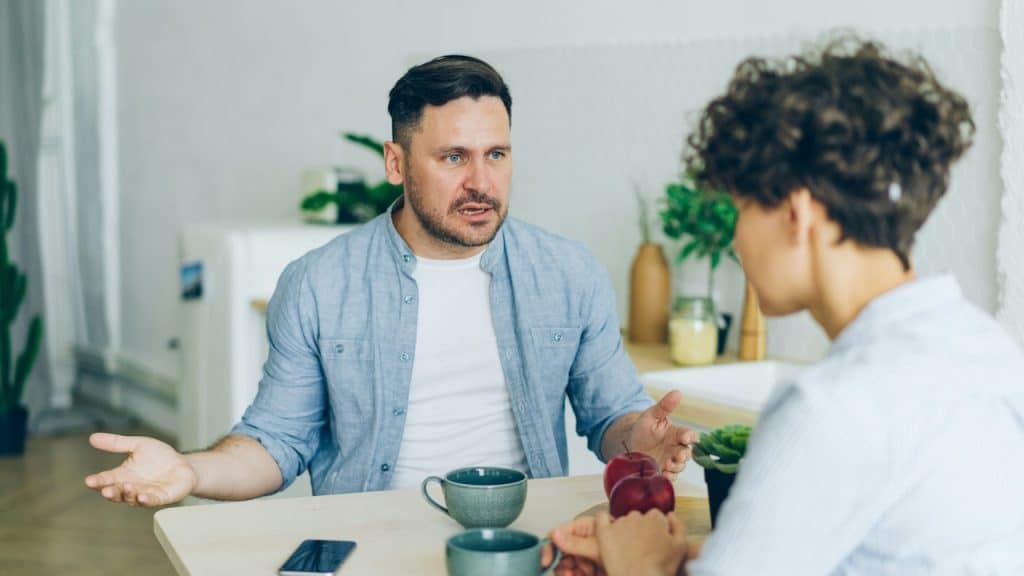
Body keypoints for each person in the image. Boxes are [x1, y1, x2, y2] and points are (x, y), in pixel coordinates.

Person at [84, 55, 698, 507]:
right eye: (454, 157)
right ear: (396, 162)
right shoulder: (319, 284)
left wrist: (638, 435)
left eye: (497, 155)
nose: (481, 182)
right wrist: (190, 471)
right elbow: (275, 442)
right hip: (366, 541)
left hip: (524, 541)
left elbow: (610, 417)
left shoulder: (568, 273)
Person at [548, 38, 1024, 575]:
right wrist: (677, 559)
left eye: (742, 208)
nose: (735, 240)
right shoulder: (986, 348)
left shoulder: (828, 408)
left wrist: (640, 565)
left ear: (796, 214)